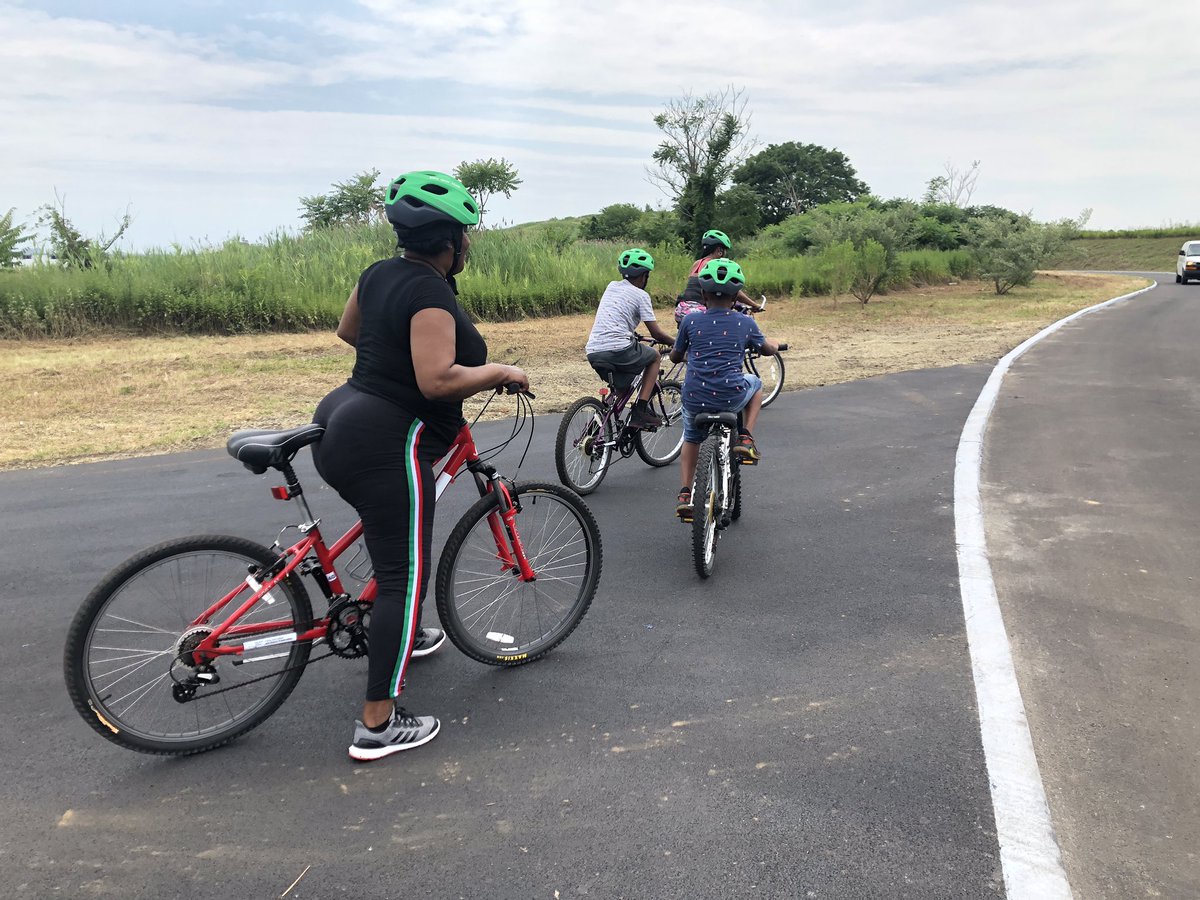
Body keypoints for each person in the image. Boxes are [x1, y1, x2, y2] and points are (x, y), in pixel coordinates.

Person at [311, 170, 529, 762]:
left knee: (392, 551)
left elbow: (349, 330)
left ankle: (400, 627)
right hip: (390, 438)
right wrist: (501, 372)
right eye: (466, 234)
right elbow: (438, 380)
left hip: (343, 415)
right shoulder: (430, 291)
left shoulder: (379, 273)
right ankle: (377, 725)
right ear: (449, 242)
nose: (468, 244)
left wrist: (390, 368)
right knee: (404, 575)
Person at [669, 258, 784, 520]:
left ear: (704, 295)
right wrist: (775, 344)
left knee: (691, 437)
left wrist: (687, 353)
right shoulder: (746, 323)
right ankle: (745, 438)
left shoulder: (690, 321)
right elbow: (766, 349)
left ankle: (685, 493)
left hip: (695, 397)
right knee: (756, 384)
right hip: (731, 395)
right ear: (736, 298)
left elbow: (676, 357)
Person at [584, 248, 676, 429]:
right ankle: (640, 411)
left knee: (623, 386)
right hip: (618, 348)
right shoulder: (642, 295)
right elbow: (656, 334)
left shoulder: (611, 286)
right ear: (644, 275)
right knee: (654, 356)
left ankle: (597, 427)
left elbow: (615, 317)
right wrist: (677, 343)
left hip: (594, 350)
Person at [674, 229, 763, 325]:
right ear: (719, 251)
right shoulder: (713, 265)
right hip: (697, 310)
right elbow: (734, 290)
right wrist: (754, 305)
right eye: (724, 250)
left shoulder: (697, 263)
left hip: (682, 309)